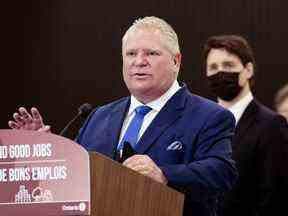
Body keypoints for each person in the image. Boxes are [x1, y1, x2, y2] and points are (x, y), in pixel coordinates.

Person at [8, 16, 238, 216]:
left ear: (176, 61)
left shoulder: (209, 116)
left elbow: (222, 172)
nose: (139, 61)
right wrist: (48, 152)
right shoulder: (98, 117)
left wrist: (165, 174)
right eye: (131, 54)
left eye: (151, 53)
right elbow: (74, 181)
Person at [203, 34, 288, 216]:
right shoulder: (200, 123)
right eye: (213, 67)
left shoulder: (271, 125)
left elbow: (275, 198)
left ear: (248, 70)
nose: (220, 72)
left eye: (228, 65)